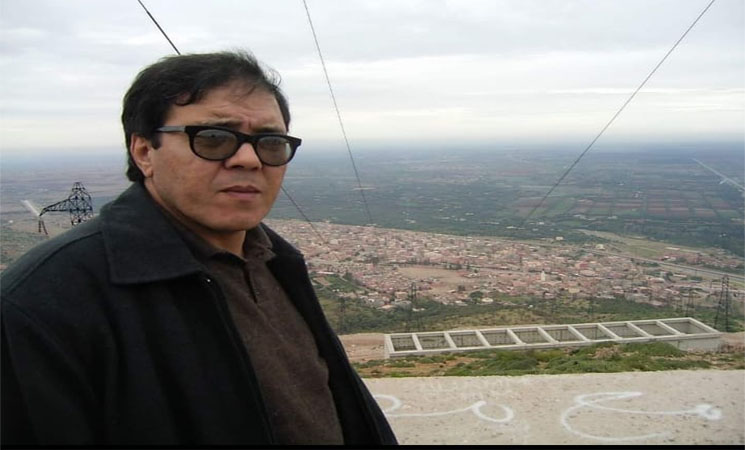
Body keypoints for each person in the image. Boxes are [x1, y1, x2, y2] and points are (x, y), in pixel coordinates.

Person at [1, 50, 397, 446]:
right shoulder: (45, 304)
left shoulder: (277, 261)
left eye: (271, 142)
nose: (249, 159)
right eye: (213, 138)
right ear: (144, 152)